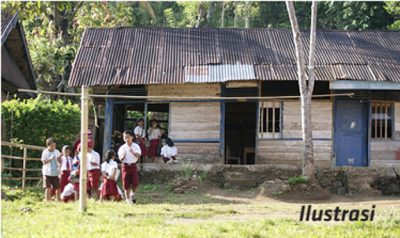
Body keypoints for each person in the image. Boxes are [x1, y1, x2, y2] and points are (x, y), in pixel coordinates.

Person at [118, 130, 141, 204]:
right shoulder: (122, 147)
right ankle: (127, 199)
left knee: (135, 182)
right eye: (125, 137)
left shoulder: (136, 146)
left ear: (132, 137)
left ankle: (132, 194)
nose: (126, 139)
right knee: (126, 183)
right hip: (125, 166)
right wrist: (123, 155)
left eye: (128, 137)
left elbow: (138, 155)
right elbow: (120, 159)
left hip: (133, 165)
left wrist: (133, 152)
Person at [41, 137, 62, 201]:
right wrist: (50, 159)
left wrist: (59, 158)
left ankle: (58, 200)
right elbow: (43, 162)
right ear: (48, 145)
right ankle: (48, 201)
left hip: (56, 172)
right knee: (48, 188)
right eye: (52, 145)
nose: (54, 147)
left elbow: (60, 162)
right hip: (47, 172)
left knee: (58, 188)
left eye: (55, 145)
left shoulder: (57, 151)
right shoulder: (45, 152)